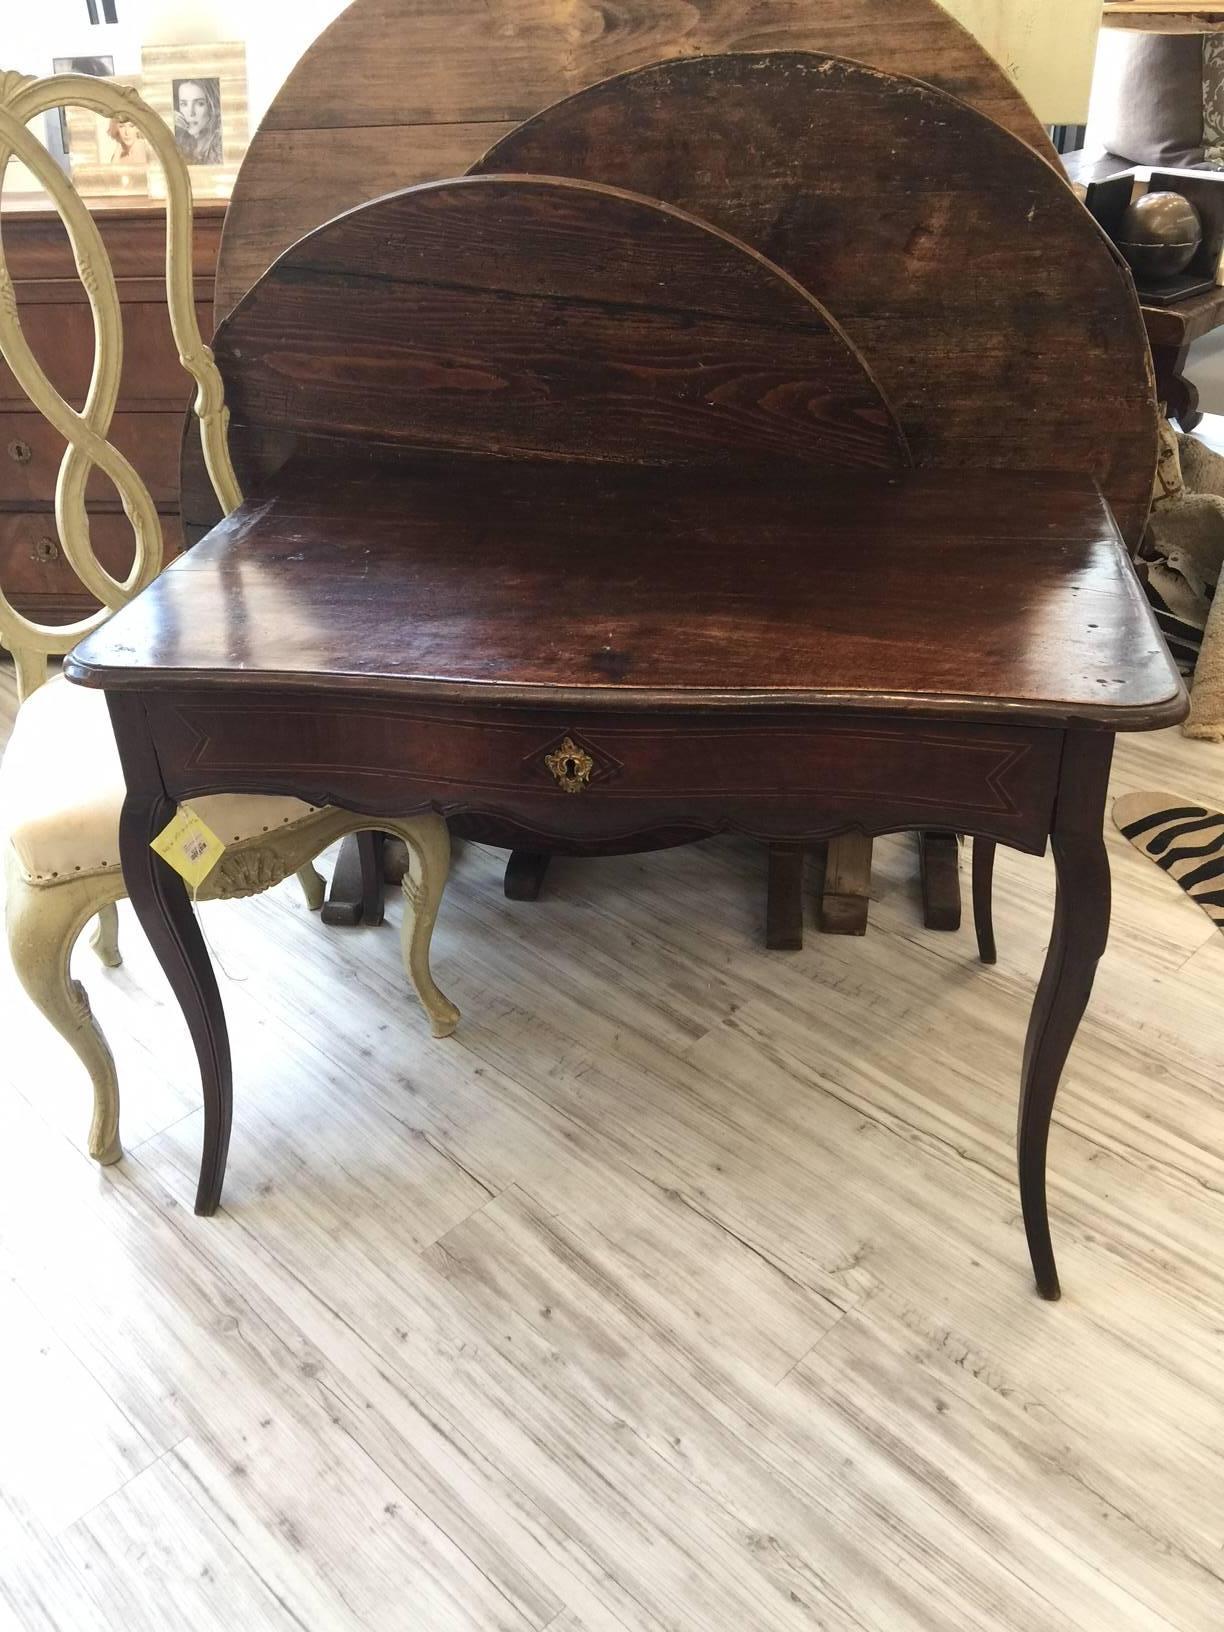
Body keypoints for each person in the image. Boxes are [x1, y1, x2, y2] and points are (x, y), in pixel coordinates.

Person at [174, 78, 222, 166]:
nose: (191, 113)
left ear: (212, 106)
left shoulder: (219, 150)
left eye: (200, 103)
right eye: (184, 104)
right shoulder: (181, 143)